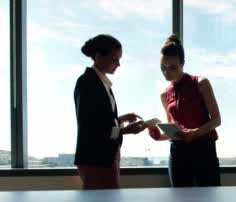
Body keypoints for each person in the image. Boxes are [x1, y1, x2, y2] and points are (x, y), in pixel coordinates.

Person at [148, 35, 221, 187]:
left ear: (182, 64)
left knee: (209, 201)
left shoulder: (200, 83)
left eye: (172, 67)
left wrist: (194, 133)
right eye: (163, 68)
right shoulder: (164, 94)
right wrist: (159, 136)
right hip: (178, 153)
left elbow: (216, 120)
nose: (167, 72)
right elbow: (173, 131)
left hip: (203, 150)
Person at [74, 34, 145, 190]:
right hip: (96, 158)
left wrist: (120, 119)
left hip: (104, 156)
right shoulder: (88, 82)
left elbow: (99, 120)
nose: (118, 64)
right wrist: (125, 131)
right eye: (115, 59)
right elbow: (91, 127)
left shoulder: (100, 83)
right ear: (99, 56)